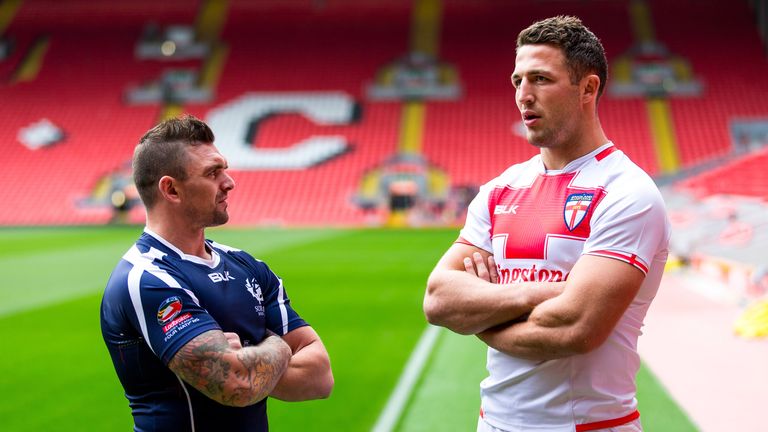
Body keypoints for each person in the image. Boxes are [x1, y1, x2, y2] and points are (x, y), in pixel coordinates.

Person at [423, 16, 670, 432]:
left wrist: (481, 317)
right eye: (517, 80)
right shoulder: (502, 188)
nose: (524, 95)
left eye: (540, 79)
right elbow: (438, 300)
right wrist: (546, 292)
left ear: (588, 88)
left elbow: (574, 328)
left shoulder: (628, 193)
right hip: (493, 424)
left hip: (587, 425)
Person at [100, 115, 333, 431]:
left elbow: (320, 377)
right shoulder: (148, 278)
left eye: (224, 168)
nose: (229, 182)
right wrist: (277, 347)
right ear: (171, 190)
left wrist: (248, 360)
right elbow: (236, 386)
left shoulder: (247, 266)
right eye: (213, 173)